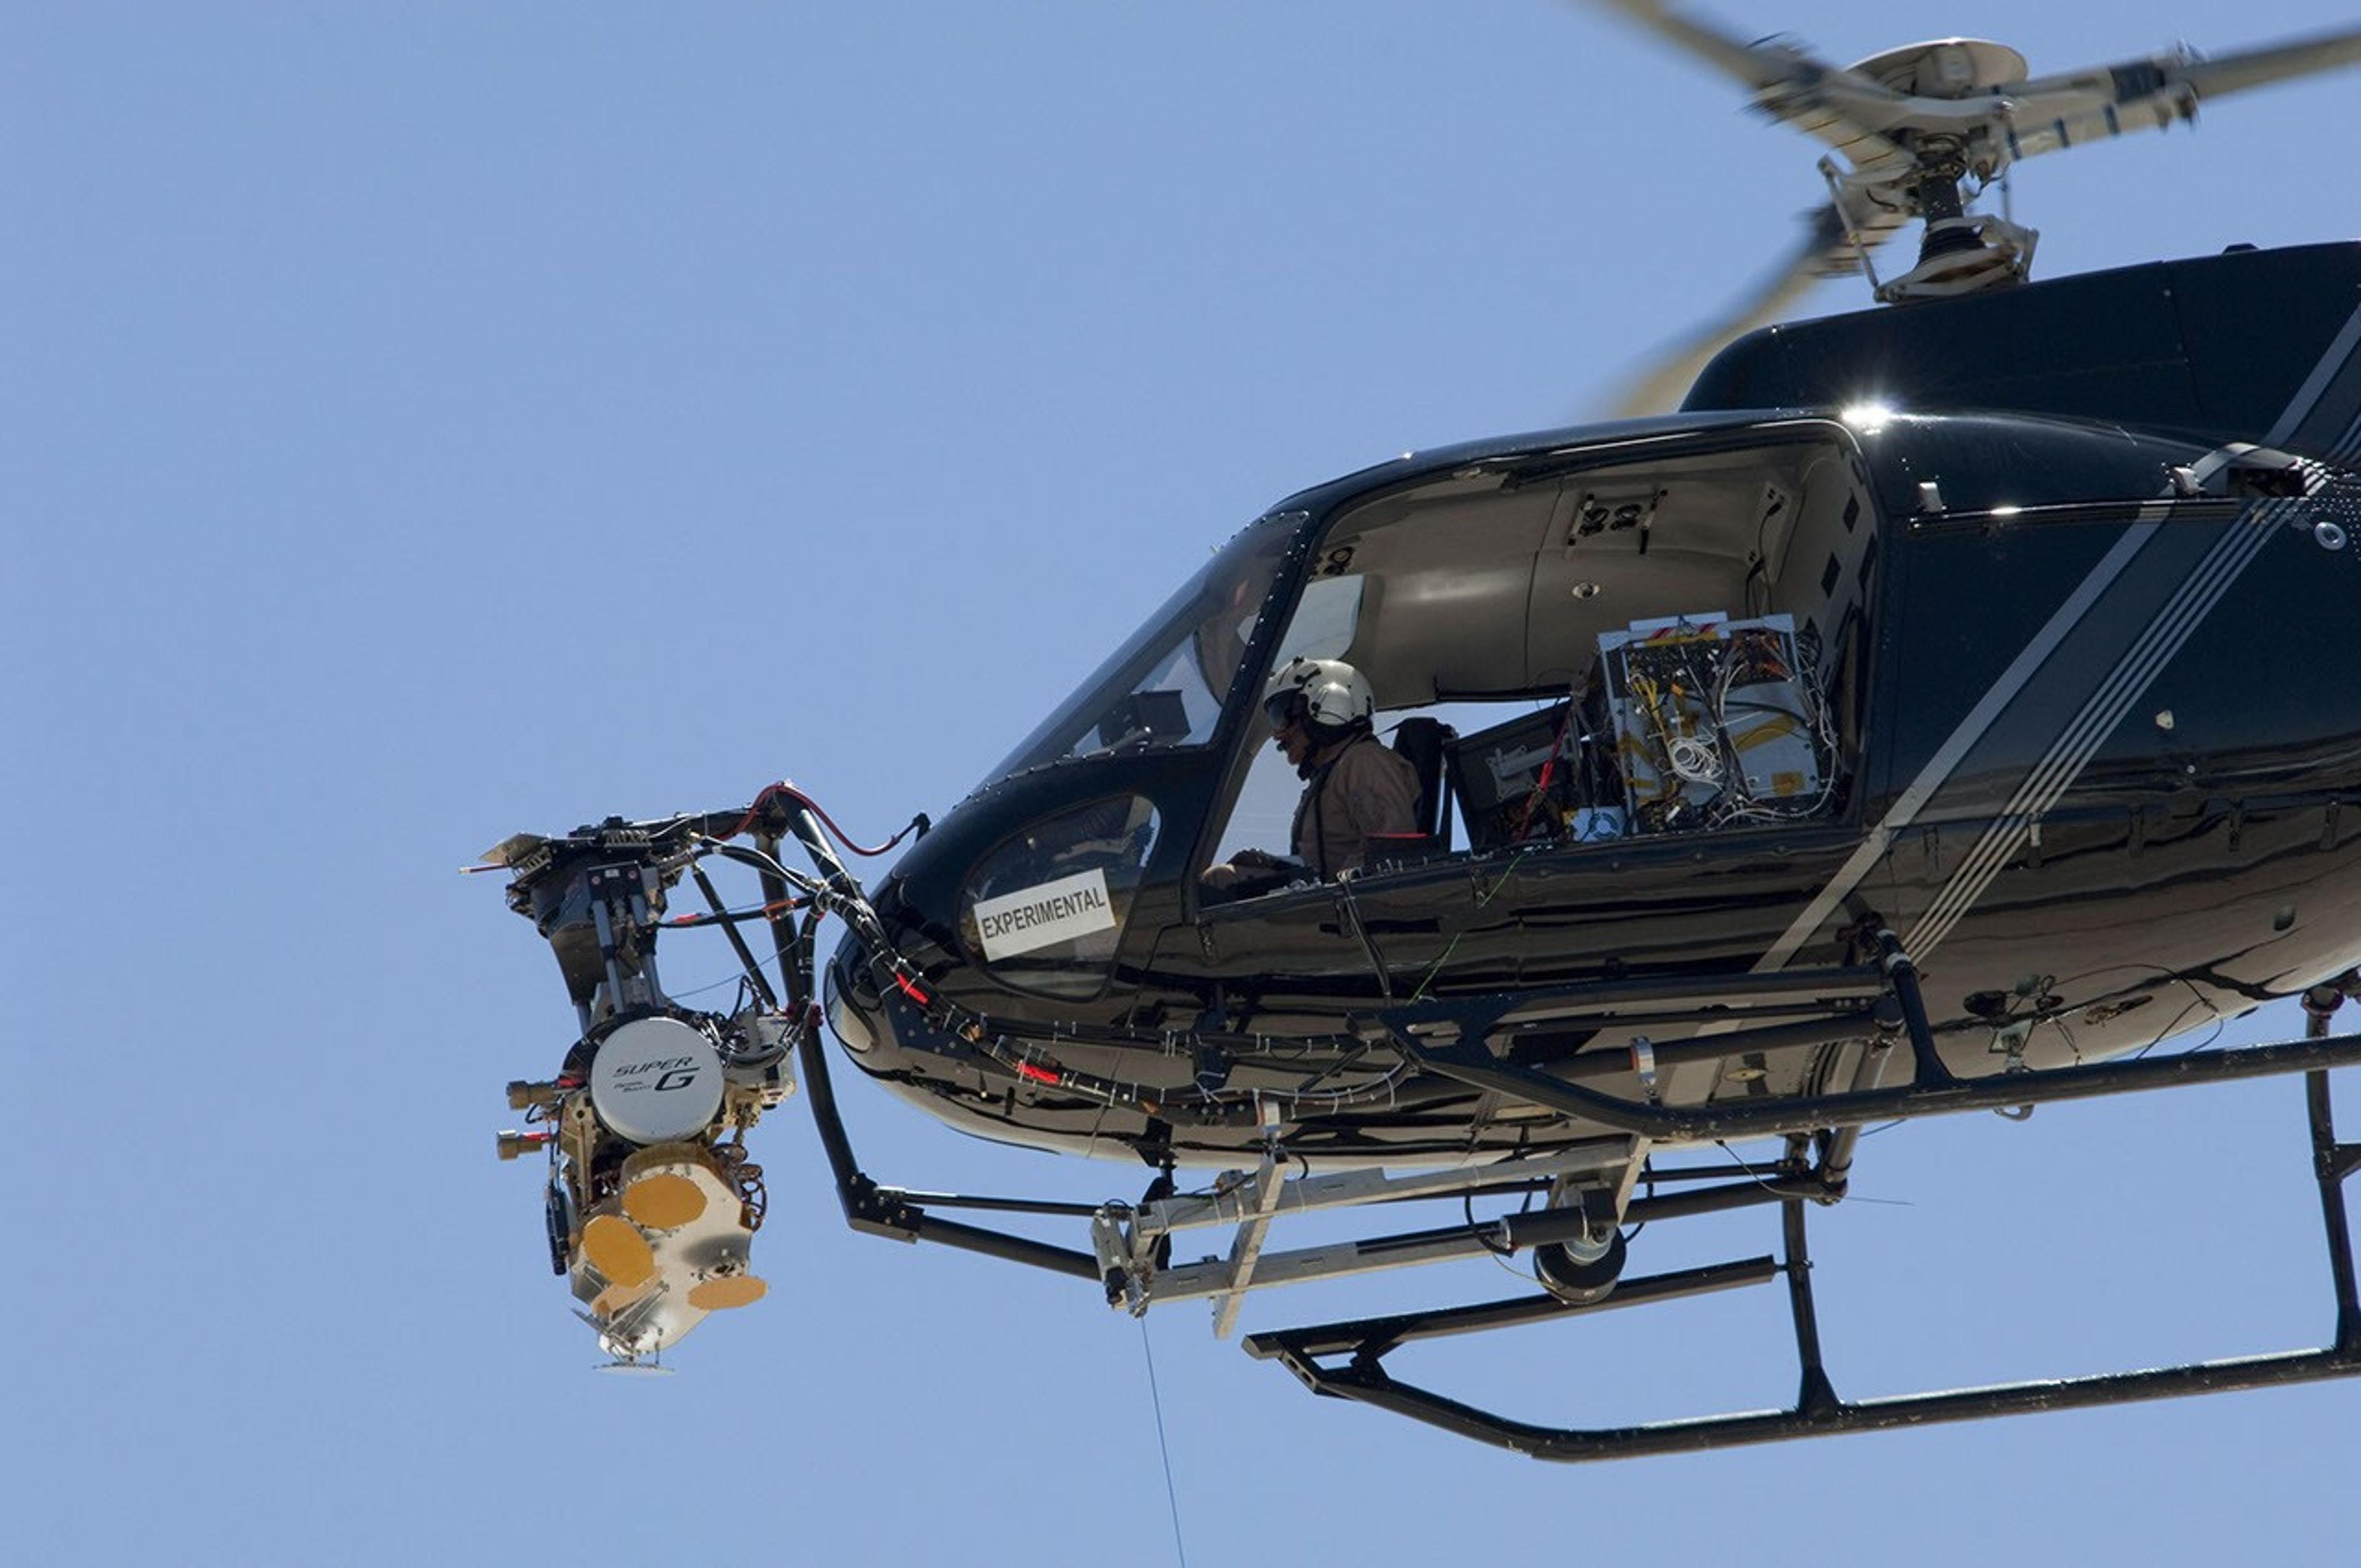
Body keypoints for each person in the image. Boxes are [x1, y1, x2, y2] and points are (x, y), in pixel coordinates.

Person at [1203, 656, 1422, 891]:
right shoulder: (1335, 773)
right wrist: (1277, 863)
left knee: (1220, 881)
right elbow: (1323, 863)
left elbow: (1390, 851)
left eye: (1281, 715)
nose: (1277, 735)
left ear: (1331, 705)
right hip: (1328, 897)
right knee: (1217, 880)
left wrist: (1340, 884)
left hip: (1348, 904)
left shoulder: (1364, 761)